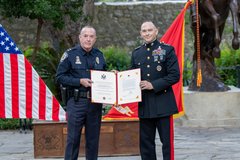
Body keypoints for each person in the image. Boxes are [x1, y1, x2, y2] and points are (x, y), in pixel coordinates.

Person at [131, 21, 180, 160]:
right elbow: (130, 76)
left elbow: (174, 75)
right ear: (141, 33)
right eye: (144, 31)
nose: (147, 33)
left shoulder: (167, 50)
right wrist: (118, 79)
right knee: (146, 144)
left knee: (166, 143)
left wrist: (153, 85)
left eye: (149, 30)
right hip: (145, 105)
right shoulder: (136, 53)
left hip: (163, 103)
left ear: (156, 31)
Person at [56, 25, 106, 160]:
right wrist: (79, 81)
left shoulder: (99, 56)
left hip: (95, 103)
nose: (88, 39)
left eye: (91, 36)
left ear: (95, 39)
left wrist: (112, 77)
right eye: (85, 36)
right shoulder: (70, 55)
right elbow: (59, 77)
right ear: (80, 37)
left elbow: (105, 77)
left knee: (93, 140)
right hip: (76, 102)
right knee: (73, 140)